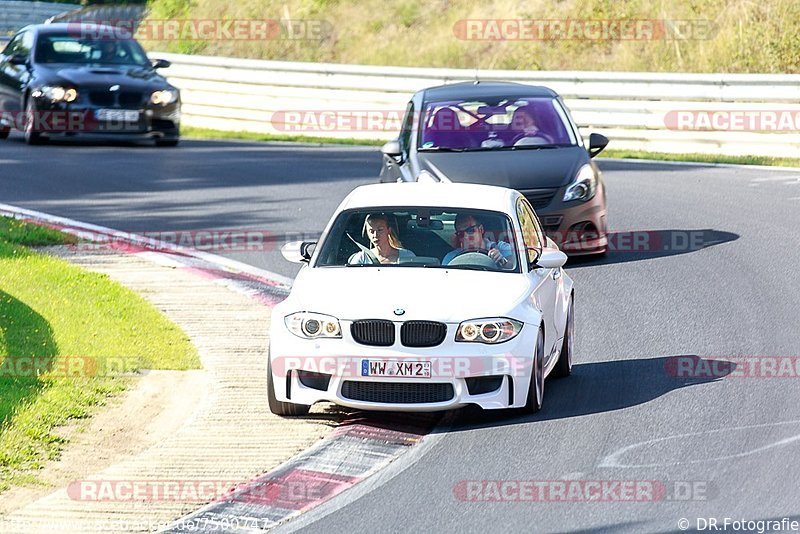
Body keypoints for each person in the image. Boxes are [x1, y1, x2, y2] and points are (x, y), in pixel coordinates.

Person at [442, 214, 514, 267]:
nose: (466, 237)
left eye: (470, 230)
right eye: (460, 234)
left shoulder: (501, 248)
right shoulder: (451, 257)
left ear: (481, 229)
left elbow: (516, 265)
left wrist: (502, 260)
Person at [349, 213, 416, 265]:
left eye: (380, 230)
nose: (375, 235)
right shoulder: (361, 258)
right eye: (371, 231)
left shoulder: (408, 256)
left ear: (389, 231)